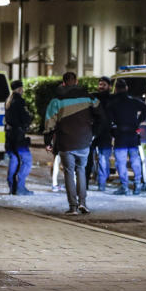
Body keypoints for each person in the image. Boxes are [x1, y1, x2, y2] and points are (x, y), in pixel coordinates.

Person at [42, 72, 99, 214]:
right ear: (77, 81)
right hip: (84, 141)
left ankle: (73, 207)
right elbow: (101, 116)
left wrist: (48, 141)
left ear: (63, 83)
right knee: (81, 170)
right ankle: (83, 203)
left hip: (66, 142)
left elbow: (49, 123)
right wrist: (94, 134)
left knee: (69, 173)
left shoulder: (56, 100)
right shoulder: (89, 97)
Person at [106, 80, 146, 195]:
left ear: (115, 89)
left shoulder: (112, 103)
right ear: (126, 88)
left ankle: (125, 187)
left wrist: (113, 130)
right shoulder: (133, 101)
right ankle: (137, 185)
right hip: (133, 135)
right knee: (135, 160)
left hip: (120, 135)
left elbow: (109, 121)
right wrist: (138, 122)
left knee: (121, 162)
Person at [4, 79, 34, 196]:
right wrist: (29, 119)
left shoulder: (8, 100)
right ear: (20, 89)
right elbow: (25, 118)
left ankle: (12, 187)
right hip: (18, 137)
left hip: (9, 135)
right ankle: (20, 187)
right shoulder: (20, 101)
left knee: (14, 160)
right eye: (22, 88)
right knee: (27, 161)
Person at [85, 76, 113, 191]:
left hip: (103, 133)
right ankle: (88, 184)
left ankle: (101, 185)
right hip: (93, 132)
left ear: (109, 86)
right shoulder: (93, 97)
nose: (101, 87)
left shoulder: (110, 99)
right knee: (89, 160)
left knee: (102, 160)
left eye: (104, 85)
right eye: (100, 84)